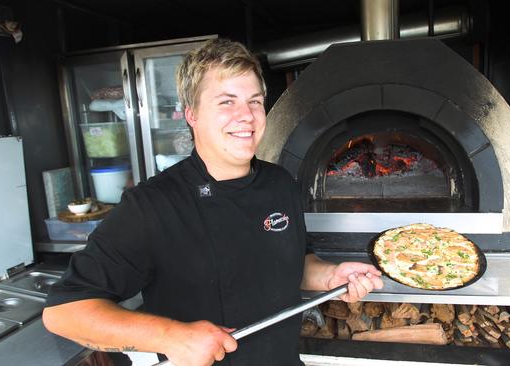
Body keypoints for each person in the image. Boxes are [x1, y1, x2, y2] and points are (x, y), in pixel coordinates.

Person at [42, 38, 383, 366]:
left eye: (254, 100)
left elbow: (296, 262)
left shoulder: (280, 184)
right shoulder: (152, 204)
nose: (246, 115)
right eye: (226, 101)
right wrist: (172, 336)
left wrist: (331, 277)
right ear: (191, 114)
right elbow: (64, 312)